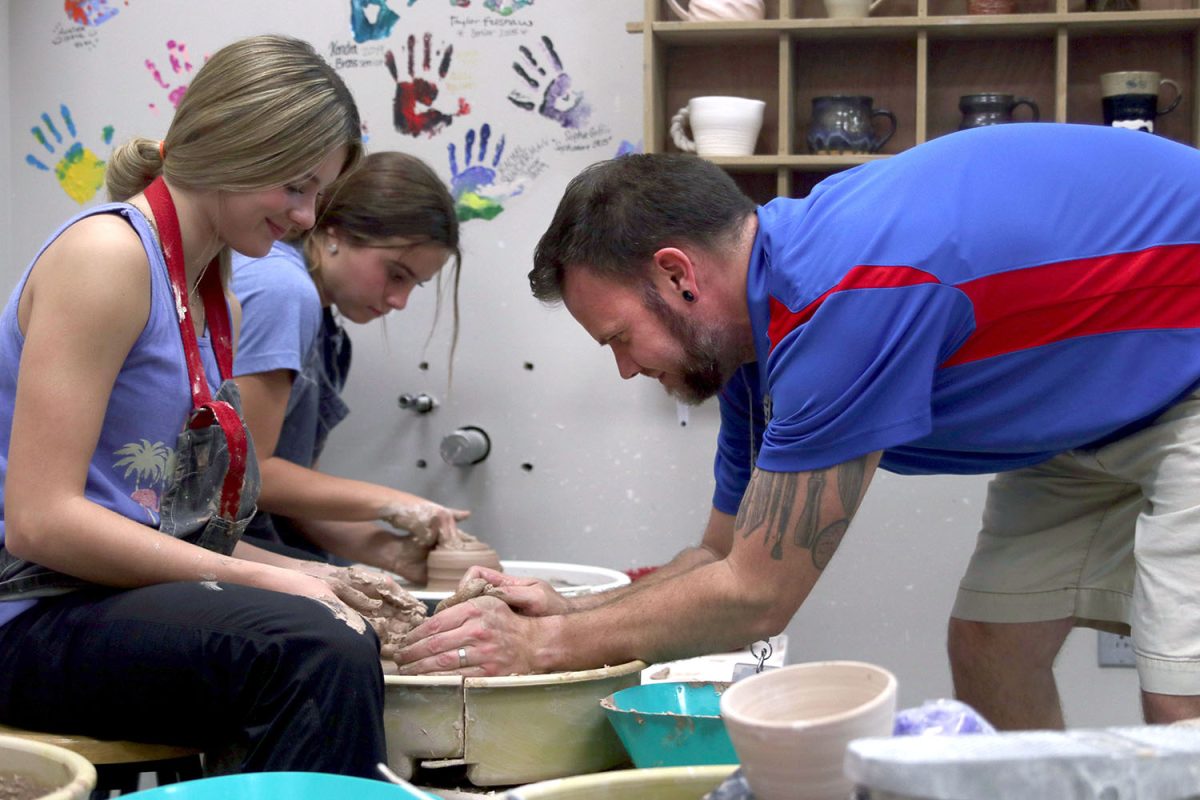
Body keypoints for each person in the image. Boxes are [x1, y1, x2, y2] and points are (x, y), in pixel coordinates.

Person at [394, 123, 1200, 730]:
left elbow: (755, 595)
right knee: (991, 642)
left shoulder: (843, 300)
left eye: (618, 339)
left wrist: (542, 651)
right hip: (1097, 413)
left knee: (1179, 687)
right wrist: (563, 612)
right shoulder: (758, 337)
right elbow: (720, 553)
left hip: (1187, 379)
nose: (627, 370)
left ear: (677, 276)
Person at [0, 34, 422, 778]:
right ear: (233, 147)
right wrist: (278, 579)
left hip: (101, 598)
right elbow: (40, 521)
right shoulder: (109, 258)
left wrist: (323, 576)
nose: (304, 216)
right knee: (315, 646)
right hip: (27, 614)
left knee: (344, 615)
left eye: (317, 193)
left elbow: (167, 527)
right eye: (295, 187)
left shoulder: (210, 286)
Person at [231, 151, 470, 584]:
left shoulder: (330, 336)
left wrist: (397, 554)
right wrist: (395, 502)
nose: (400, 302)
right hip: (186, 542)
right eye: (396, 275)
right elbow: (251, 474)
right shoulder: (281, 290)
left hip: (253, 538)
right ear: (334, 230)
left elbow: (294, 499)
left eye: (414, 285)